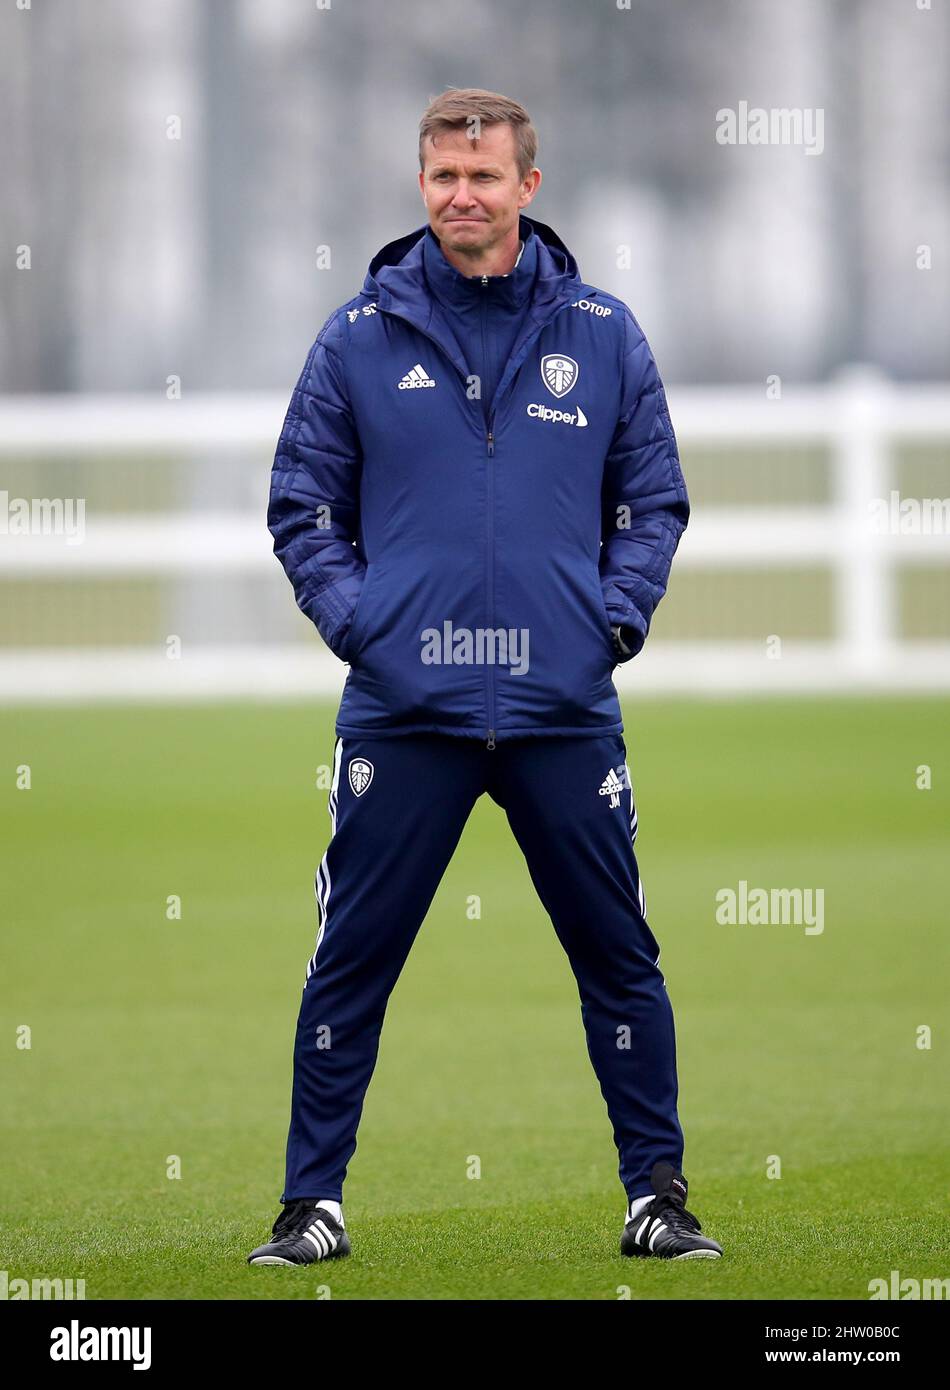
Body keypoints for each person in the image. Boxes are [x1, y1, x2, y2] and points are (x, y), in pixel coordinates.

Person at [248, 88, 722, 1266]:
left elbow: (650, 499)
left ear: (527, 187)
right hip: (406, 713)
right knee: (348, 958)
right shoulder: (355, 338)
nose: (462, 195)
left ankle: (654, 1196)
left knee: (618, 954)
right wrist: (369, 630)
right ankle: (312, 1205)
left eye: (484, 176)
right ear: (421, 186)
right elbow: (302, 507)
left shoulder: (604, 333)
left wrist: (605, 624)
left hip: (562, 709)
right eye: (442, 177)